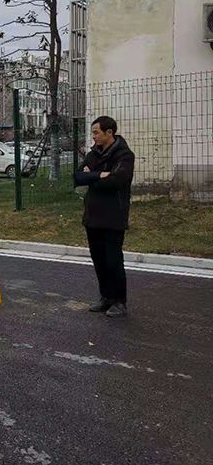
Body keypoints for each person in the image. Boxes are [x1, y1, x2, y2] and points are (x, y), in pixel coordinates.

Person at [74, 116, 135, 318]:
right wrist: (101, 174)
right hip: (93, 216)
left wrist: (92, 176)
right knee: (99, 259)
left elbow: (117, 181)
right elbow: (78, 177)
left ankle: (119, 301)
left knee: (113, 260)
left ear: (109, 133)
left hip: (113, 216)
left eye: (96, 132)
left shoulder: (124, 155)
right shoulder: (94, 154)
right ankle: (106, 297)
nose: (93, 136)